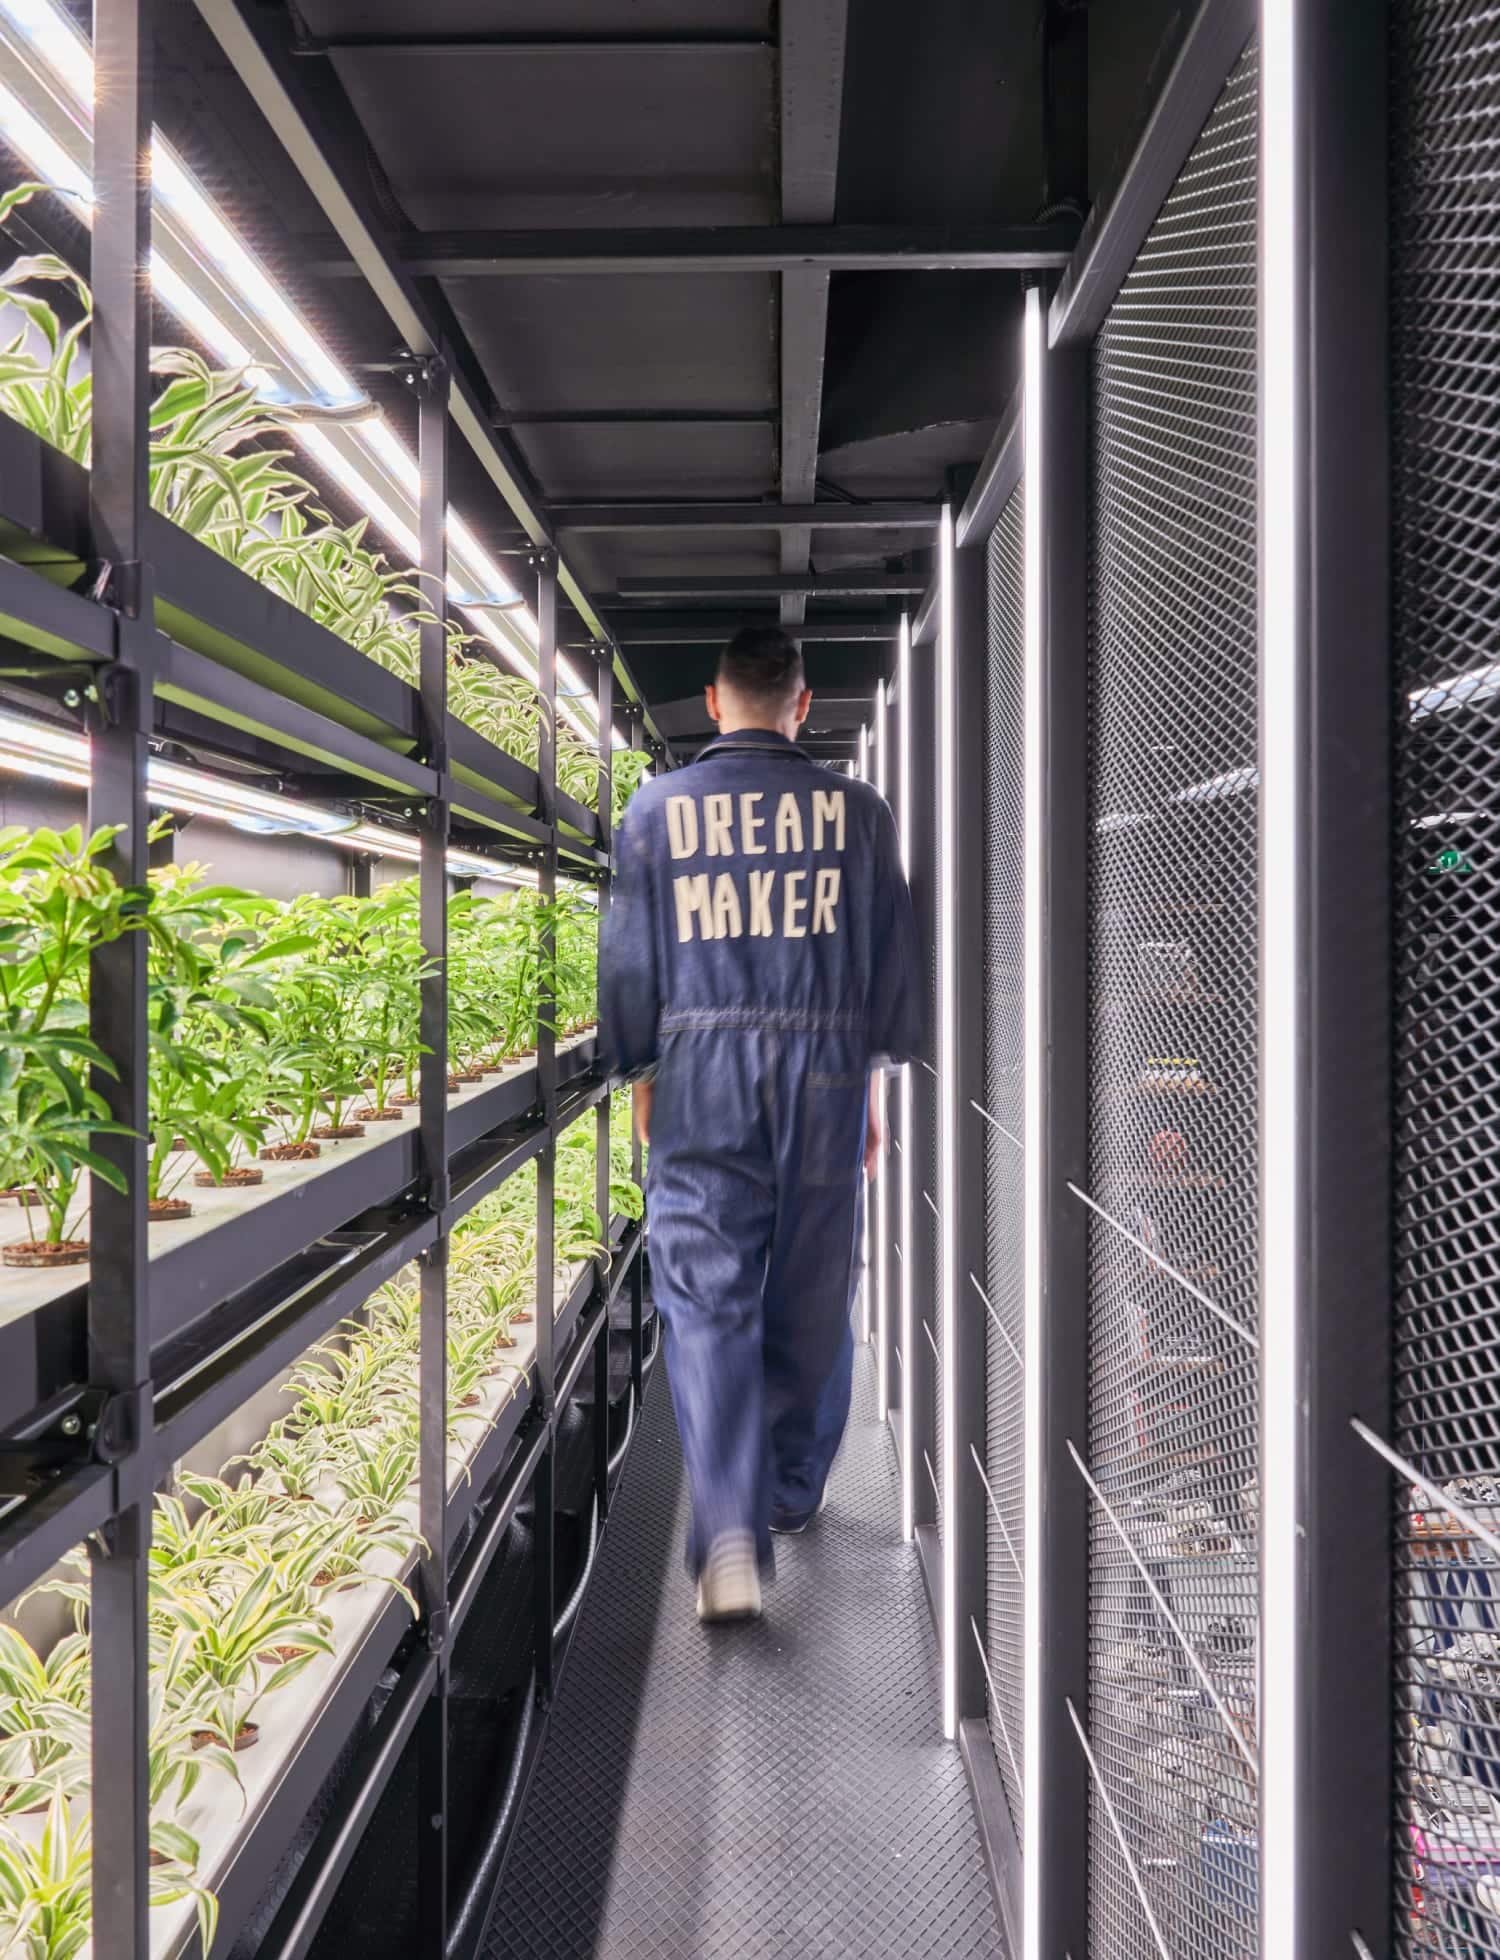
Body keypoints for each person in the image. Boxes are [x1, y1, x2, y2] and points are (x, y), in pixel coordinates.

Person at [599, 625, 922, 1623]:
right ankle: (788, 1488)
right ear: (802, 704)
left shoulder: (656, 811)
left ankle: (730, 1526)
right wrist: (865, 1082)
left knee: (705, 1299)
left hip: (700, 1073)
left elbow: (628, 961)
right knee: (813, 1288)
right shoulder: (857, 813)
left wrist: (642, 1075)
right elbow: (887, 959)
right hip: (822, 1073)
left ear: (711, 698)